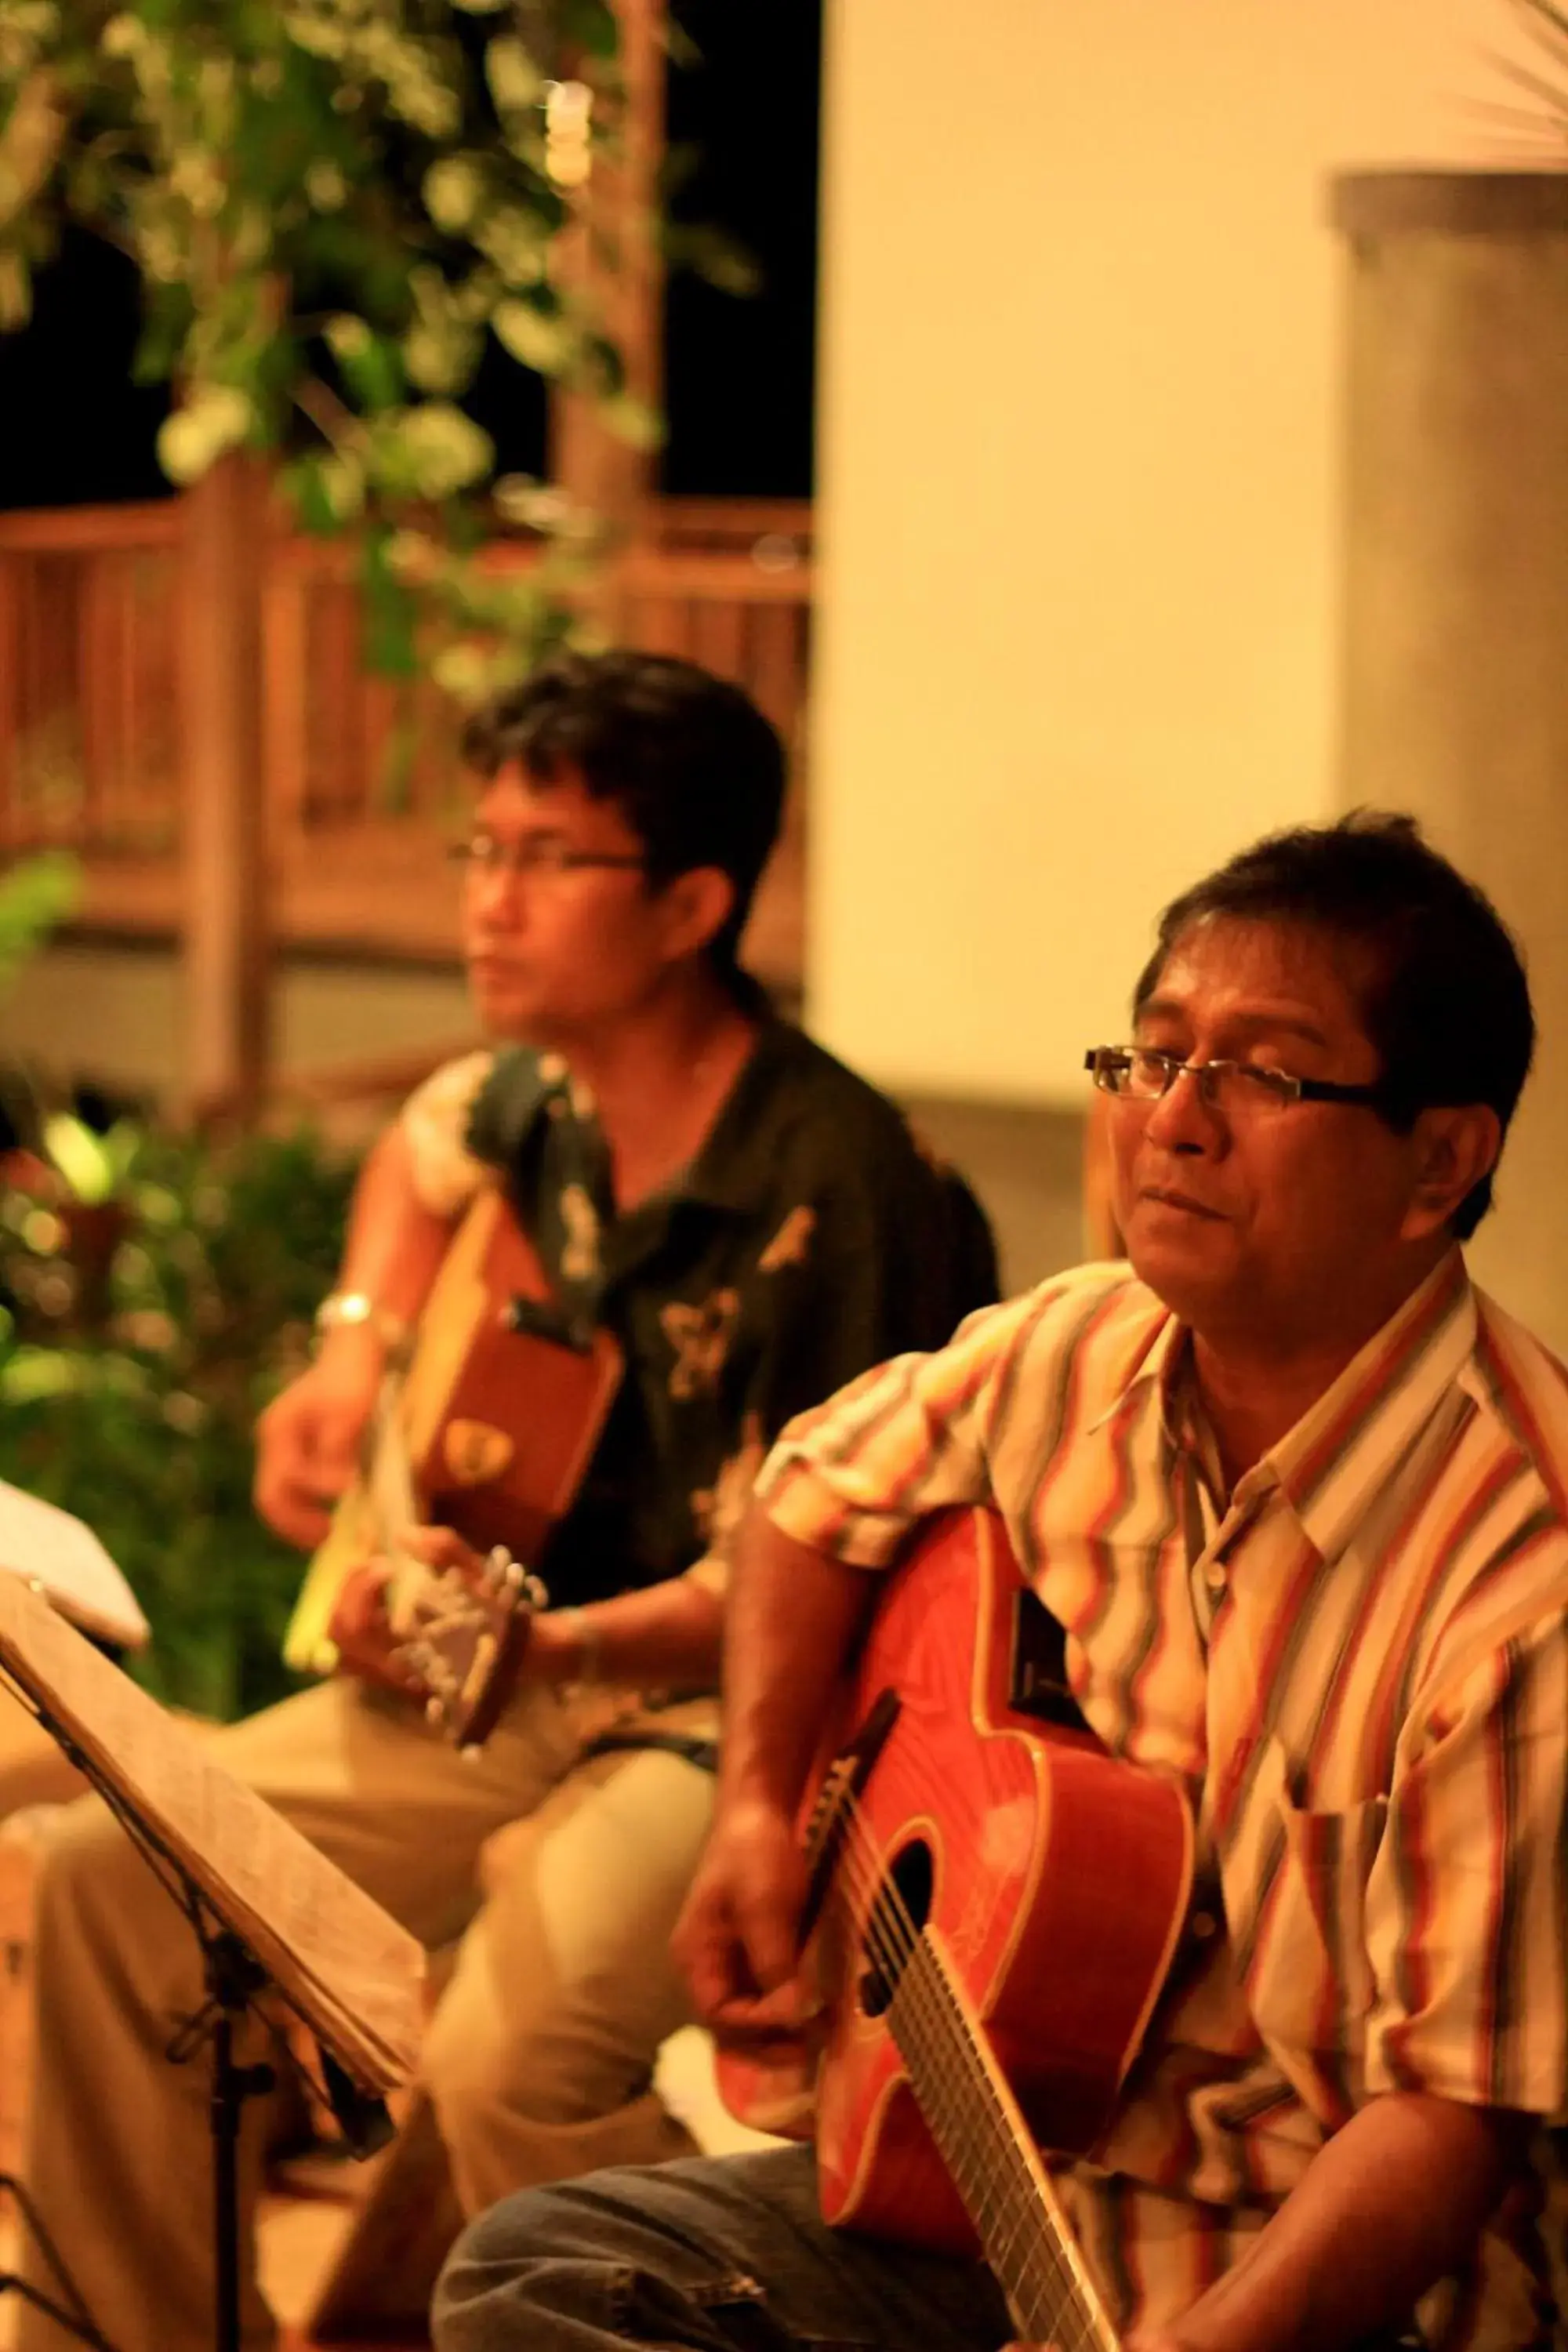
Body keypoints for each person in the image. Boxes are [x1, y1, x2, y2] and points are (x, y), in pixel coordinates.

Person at [434, 811, 1568, 2352]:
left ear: (1439, 1159)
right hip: (1012, 2183)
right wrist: (761, 1808)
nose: (1174, 1118)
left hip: (1322, 2293)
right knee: (544, 2271)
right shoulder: (1075, 1347)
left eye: (1264, 1074)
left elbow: (1450, 2116)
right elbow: (807, 1502)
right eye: (1154, 1057)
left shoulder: (1523, 1566)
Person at [14, 649, 999, 2352]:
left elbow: (806, 1563)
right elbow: (415, 1147)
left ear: (691, 903)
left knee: (507, 2055)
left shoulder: (842, 1184)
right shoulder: (536, 1098)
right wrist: (349, 1355)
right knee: (109, 1877)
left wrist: (542, 1650)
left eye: (546, 859)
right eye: (480, 850)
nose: (488, 900)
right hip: (516, 1673)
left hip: (737, 1719)